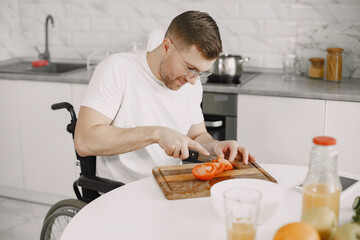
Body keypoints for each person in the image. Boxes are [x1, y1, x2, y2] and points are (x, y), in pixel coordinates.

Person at [74, 10, 255, 183]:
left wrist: (215, 147)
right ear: (166, 46)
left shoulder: (191, 83)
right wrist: (157, 134)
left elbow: (197, 135)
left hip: (170, 187)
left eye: (200, 73)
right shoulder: (118, 68)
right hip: (121, 192)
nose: (193, 80)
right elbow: (84, 141)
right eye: (190, 68)